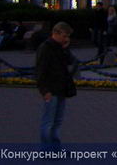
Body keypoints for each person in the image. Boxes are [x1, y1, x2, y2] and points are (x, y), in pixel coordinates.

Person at [36, 22, 77, 152]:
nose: (66, 39)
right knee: (48, 122)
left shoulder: (60, 47)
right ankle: (46, 150)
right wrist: (44, 90)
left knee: (57, 122)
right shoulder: (45, 48)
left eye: (67, 36)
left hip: (61, 88)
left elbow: (70, 61)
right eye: (64, 36)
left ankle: (55, 148)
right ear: (56, 33)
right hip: (51, 89)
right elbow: (40, 71)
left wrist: (66, 48)